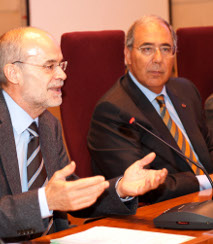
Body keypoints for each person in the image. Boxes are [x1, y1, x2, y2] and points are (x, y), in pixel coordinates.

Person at [0, 27, 167, 243]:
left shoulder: (48, 124)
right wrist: (45, 201)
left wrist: (121, 188)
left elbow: (68, 193)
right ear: (13, 73)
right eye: (49, 66)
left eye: (61, 65)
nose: (62, 75)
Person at [88, 15, 213, 205]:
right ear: (127, 55)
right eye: (147, 49)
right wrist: (206, 181)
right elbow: (144, 186)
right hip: (164, 213)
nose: (158, 59)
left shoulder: (186, 90)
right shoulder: (113, 111)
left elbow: (208, 149)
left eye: (165, 49)